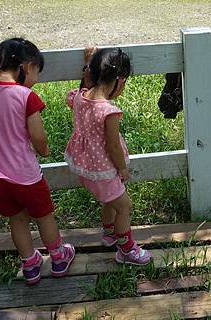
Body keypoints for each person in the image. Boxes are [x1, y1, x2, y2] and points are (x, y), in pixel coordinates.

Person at [0, 38, 75, 285]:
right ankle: (59, 258)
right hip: (24, 176)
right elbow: (38, 136)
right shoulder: (26, 96)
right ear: (27, 67)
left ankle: (29, 264)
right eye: (36, 71)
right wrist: (44, 150)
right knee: (44, 216)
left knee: (17, 219)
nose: (36, 78)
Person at [65, 47, 152, 266]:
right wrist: (122, 168)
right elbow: (113, 145)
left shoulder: (79, 97)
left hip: (86, 168)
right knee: (124, 207)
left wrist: (88, 64)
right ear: (120, 81)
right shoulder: (108, 111)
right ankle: (126, 250)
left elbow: (84, 85)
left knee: (110, 200)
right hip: (104, 169)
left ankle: (109, 233)